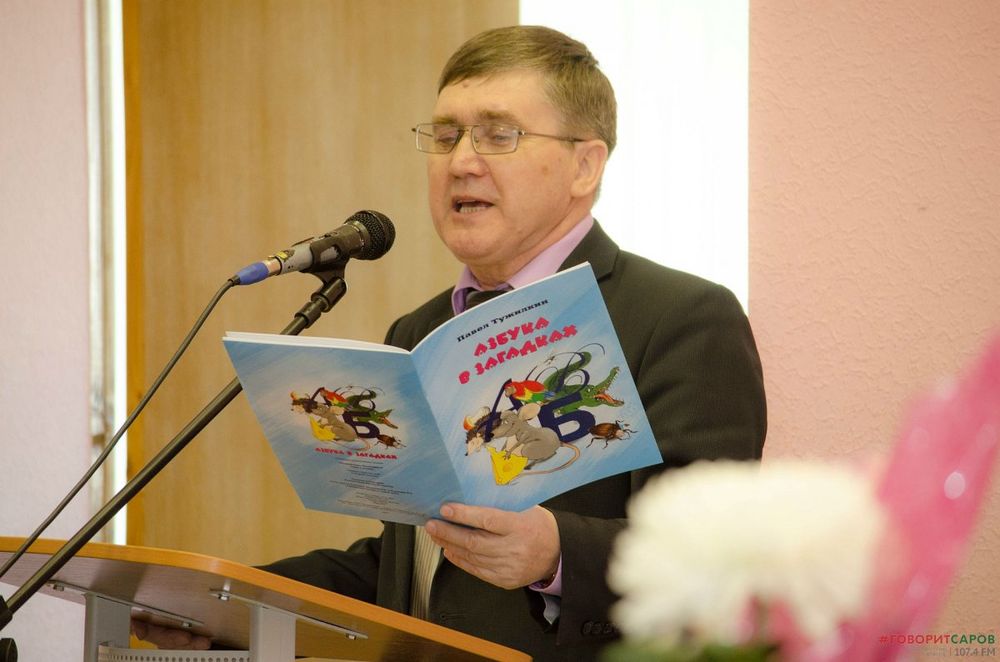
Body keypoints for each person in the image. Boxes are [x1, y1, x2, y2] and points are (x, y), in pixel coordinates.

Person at [135, 25, 766, 659]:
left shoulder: (681, 318)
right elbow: (411, 569)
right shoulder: (419, 330)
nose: (461, 161)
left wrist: (556, 555)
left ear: (585, 165)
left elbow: (714, 559)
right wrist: (223, 601)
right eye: (445, 136)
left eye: (499, 134)